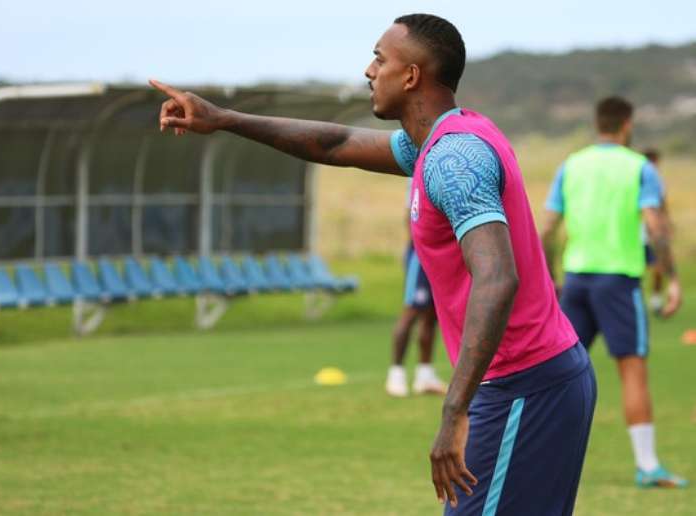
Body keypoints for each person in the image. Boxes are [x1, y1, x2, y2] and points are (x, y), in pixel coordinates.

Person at [150, 13, 596, 514]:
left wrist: (454, 410)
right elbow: (336, 144)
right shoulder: (439, 141)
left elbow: (497, 278)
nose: (368, 70)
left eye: (380, 59)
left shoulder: (456, 159)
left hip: (521, 387)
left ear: (410, 77)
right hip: (539, 380)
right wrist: (225, 119)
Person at [541, 96, 686, 488]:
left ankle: (541, 459)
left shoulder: (571, 165)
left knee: (558, 374)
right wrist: (672, 280)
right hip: (619, 283)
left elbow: (548, 228)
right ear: (627, 124)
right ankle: (647, 465)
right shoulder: (638, 166)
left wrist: (549, 277)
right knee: (633, 370)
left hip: (575, 281)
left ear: (597, 122)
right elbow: (655, 227)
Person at [387, 178, 448, 397]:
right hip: (420, 255)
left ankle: (425, 375)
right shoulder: (418, 175)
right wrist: (423, 248)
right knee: (412, 310)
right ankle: (396, 374)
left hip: (440, 256)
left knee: (433, 315)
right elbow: (410, 217)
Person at [641, 148, 667, 315]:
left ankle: (656, 300)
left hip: (650, 235)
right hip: (639, 235)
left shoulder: (658, 182)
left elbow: (662, 206)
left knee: (658, 268)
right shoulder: (638, 178)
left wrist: (666, 224)